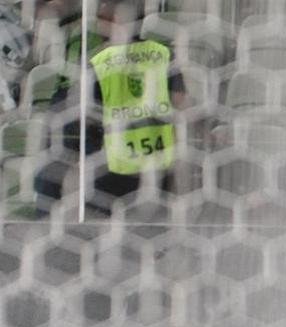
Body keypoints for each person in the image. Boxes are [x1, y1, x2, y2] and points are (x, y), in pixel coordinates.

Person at [34, 0, 188, 215]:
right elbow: (180, 103)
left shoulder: (99, 60)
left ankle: (45, 218)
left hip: (109, 173)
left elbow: (80, 117)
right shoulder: (163, 54)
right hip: (156, 170)